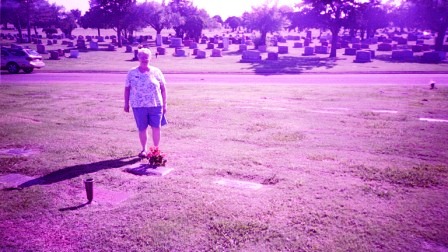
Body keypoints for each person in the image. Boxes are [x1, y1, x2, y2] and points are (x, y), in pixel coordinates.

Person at [124, 48, 167, 158]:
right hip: (138, 105)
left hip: (156, 105)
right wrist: (126, 103)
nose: (144, 59)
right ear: (138, 58)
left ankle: (156, 150)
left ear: (150, 58)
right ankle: (144, 149)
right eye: (142, 57)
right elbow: (127, 89)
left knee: (156, 127)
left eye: (147, 57)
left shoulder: (156, 71)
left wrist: (165, 104)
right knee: (142, 128)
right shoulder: (132, 72)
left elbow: (163, 88)